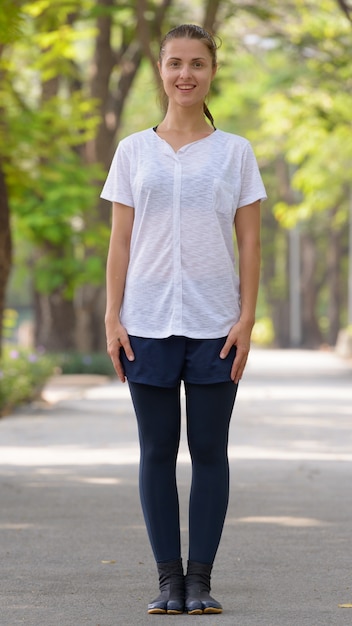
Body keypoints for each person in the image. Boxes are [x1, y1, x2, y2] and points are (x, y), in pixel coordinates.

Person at [101, 23, 266, 616]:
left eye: (197, 63)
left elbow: (249, 245)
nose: (185, 74)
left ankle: (201, 579)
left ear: (212, 72)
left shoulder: (235, 153)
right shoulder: (132, 151)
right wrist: (112, 316)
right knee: (155, 452)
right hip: (144, 321)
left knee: (211, 452)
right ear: (162, 72)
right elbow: (120, 243)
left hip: (215, 324)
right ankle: (168, 580)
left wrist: (247, 319)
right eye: (175, 63)